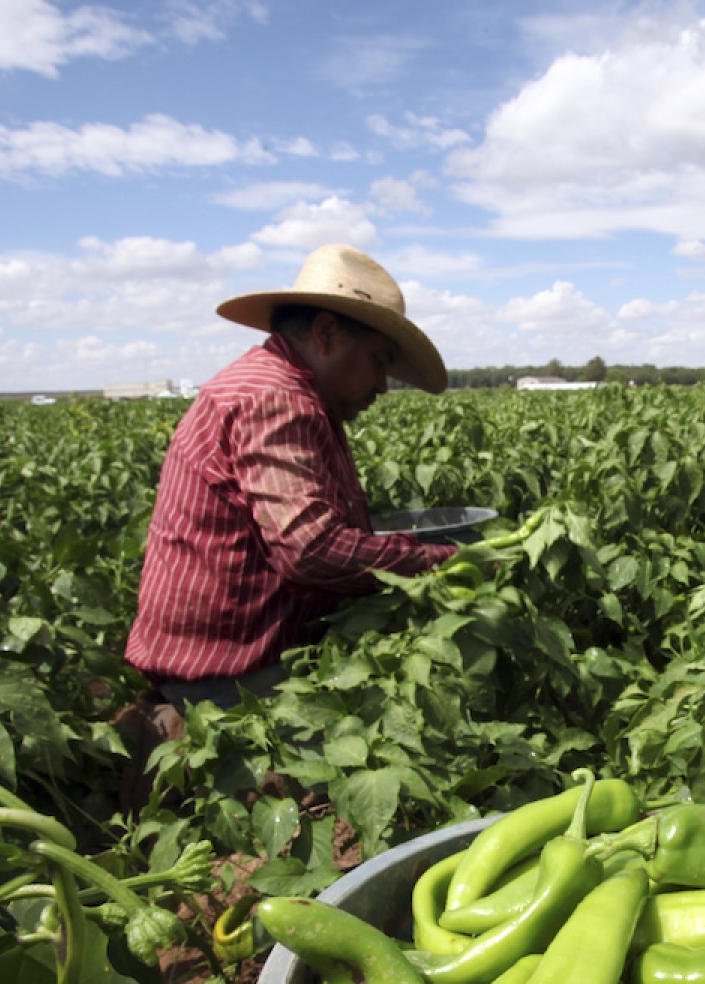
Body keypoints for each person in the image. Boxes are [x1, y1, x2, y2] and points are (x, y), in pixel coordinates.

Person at [125, 244, 459, 709]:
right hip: (234, 677)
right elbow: (312, 549)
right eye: (379, 361)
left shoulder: (281, 387)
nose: (383, 386)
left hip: (231, 659)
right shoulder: (276, 397)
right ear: (325, 333)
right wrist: (447, 561)